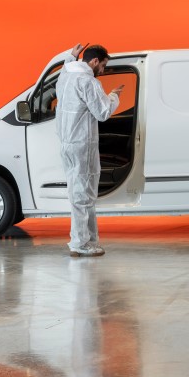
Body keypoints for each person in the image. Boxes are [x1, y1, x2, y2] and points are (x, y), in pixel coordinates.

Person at [56, 43, 124, 258]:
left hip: (67, 144)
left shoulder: (65, 77)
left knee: (78, 194)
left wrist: (71, 56)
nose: (102, 71)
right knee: (84, 196)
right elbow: (103, 112)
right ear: (94, 61)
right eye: (102, 65)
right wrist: (113, 96)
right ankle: (80, 244)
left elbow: (66, 67)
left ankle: (88, 241)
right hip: (82, 144)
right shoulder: (88, 81)